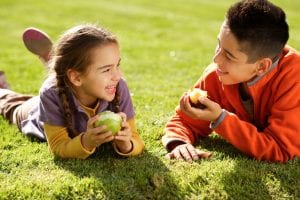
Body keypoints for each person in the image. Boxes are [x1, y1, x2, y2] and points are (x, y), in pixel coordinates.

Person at [162, 0, 300, 163]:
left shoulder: (295, 79)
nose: (216, 59)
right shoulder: (218, 74)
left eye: (228, 55)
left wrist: (221, 119)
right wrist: (178, 143)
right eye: (219, 45)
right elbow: (185, 121)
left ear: (262, 66)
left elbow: (281, 150)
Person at [0, 24, 144, 159]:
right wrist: (86, 142)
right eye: (106, 69)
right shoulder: (51, 93)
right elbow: (57, 146)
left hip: (67, 91)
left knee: (57, 89)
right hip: (34, 113)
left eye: (117, 65)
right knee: (10, 103)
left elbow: (135, 139)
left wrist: (126, 144)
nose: (117, 76)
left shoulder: (118, 86)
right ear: (76, 77)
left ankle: (55, 65)